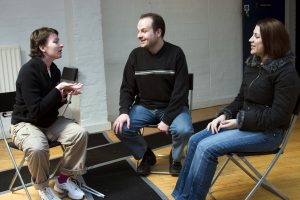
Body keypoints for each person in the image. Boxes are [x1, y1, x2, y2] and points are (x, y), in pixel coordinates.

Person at [172, 18, 300, 200]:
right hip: (246, 124)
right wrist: (224, 115)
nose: (250, 39)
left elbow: (278, 117)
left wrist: (239, 122)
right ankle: (181, 196)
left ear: (271, 41)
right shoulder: (253, 64)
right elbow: (240, 99)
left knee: (207, 148)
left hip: (269, 133)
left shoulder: (287, 74)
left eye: (256, 36)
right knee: (194, 141)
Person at [10, 27, 87, 200]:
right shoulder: (28, 71)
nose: (61, 44)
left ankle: (63, 180)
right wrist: (58, 88)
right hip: (25, 123)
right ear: (42, 47)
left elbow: (50, 104)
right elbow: (36, 110)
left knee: (79, 134)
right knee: (38, 148)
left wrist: (64, 95)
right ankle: (43, 187)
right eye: (56, 41)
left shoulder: (54, 70)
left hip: (47, 121)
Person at [113, 13, 194, 176]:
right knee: (120, 128)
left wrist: (167, 119)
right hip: (144, 106)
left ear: (158, 32)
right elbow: (127, 88)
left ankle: (176, 158)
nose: (139, 35)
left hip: (173, 107)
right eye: (138, 31)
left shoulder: (176, 53)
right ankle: (146, 155)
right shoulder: (135, 55)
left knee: (184, 130)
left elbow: (180, 93)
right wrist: (123, 112)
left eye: (143, 31)